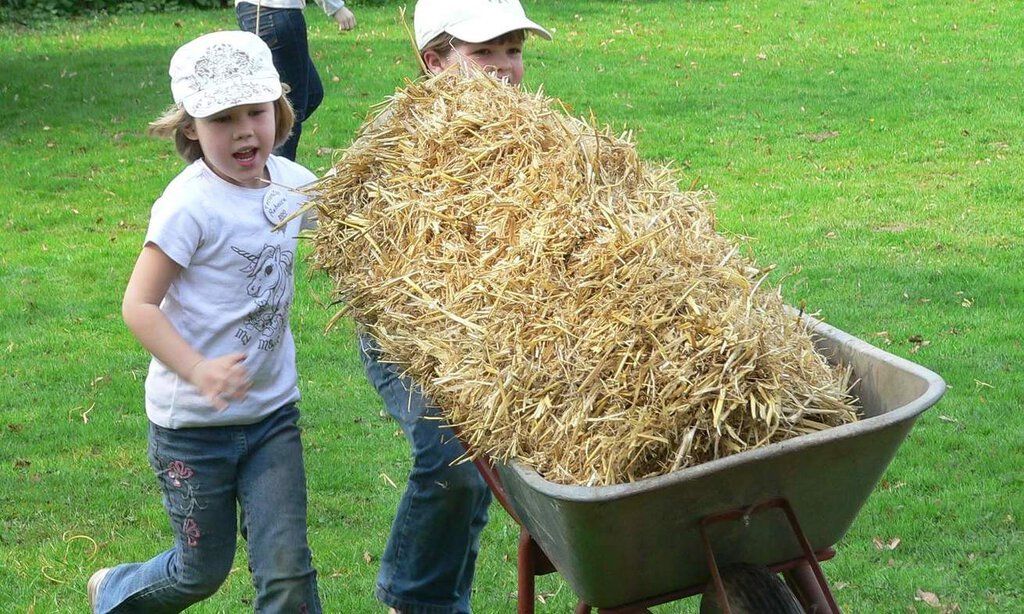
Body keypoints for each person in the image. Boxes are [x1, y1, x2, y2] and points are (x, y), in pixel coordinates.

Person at [88, 30, 321, 613]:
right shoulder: (188, 206)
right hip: (191, 430)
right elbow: (138, 305)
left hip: (271, 416)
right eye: (223, 118)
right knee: (199, 572)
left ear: (279, 110)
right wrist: (198, 369)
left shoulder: (295, 186)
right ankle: (112, 591)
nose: (245, 131)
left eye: (256, 112)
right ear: (191, 126)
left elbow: (361, 232)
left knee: (288, 570)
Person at [358, 2, 552, 613]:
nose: (504, 69)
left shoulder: (540, 136)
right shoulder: (399, 150)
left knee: (489, 470)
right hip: (410, 335)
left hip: (509, 329)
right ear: (433, 62)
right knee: (456, 458)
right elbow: (385, 271)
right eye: (483, 53)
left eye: (513, 50)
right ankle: (415, 600)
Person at [235, 0, 356, 161]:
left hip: (254, 11)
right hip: (275, 12)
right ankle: (276, 179)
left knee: (313, 93)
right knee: (290, 109)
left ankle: (264, 150)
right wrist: (336, 7)